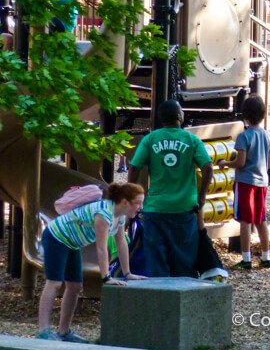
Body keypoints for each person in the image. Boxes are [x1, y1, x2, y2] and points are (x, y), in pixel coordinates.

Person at [36, 183, 147, 342]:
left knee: (74, 286)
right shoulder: (103, 213)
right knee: (54, 283)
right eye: (138, 203)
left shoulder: (120, 215)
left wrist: (127, 273)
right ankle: (43, 331)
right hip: (56, 237)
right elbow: (101, 249)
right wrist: (106, 277)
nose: (140, 207)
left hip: (72, 242)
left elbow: (121, 242)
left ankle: (63, 331)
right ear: (124, 202)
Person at [129, 99, 213, 277]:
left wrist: (132, 195)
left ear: (161, 118)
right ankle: (182, 300)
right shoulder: (191, 140)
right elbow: (208, 167)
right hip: (184, 209)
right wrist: (202, 195)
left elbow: (134, 167)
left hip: (156, 209)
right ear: (179, 116)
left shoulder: (150, 139)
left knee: (156, 261)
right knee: (184, 260)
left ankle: (160, 300)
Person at [219, 95, 270, 270]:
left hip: (245, 182)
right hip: (262, 181)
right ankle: (266, 256)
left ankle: (246, 258)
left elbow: (240, 162)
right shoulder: (266, 135)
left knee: (245, 220)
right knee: (261, 219)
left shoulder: (244, 136)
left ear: (245, 115)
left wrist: (225, 164)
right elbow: (269, 162)